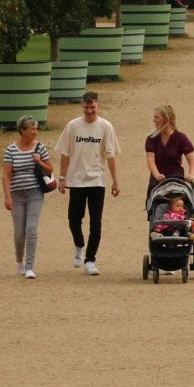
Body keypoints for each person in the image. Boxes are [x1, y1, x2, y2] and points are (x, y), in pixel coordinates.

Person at [54, 89, 121, 272]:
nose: (89, 111)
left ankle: (90, 260)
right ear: (81, 106)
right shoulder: (73, 126)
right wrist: (62, 177)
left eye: (92, 107)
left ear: (98, 106)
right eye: (86, 107)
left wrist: (115, 181)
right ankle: (79, 246)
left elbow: (110, 155)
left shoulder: (105, 126)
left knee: (96, 223)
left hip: (96, 180)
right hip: (76, 180)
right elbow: (65, 154)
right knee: (73, 219)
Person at [2, 114, 52, 277]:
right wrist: (7, 196)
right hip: (17, 194)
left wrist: (39, 162)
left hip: (34, 193)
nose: (35, 132)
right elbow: (6, 175)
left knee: (31, 229)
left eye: (36, 128)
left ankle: (30, 266)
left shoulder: (40, 147)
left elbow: (50, 169)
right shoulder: (11, 149)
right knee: (19, 232)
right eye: (32, 129)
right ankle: (19, 260)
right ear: (22, 130)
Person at [145, 104, 194, 186]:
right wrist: (157, 175)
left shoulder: (181, 137)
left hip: (177, 180)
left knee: (183, 198)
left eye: (157, 117)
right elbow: (150, 160)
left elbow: (191, 159)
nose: (153, 120)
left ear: (166, 119)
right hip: (157, 182)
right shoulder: (151, 139)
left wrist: (191, 175)